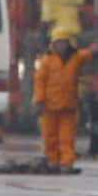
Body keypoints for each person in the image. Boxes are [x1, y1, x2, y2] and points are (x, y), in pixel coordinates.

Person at [31, 35, 85, 171]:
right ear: (53, 44)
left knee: (67, 137)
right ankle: (52, 161)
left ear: (68, 44)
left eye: (64, 42)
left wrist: (95, 49)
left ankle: (66, 162)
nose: (61, 45)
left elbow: (87, 55)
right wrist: (39, 100)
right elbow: (40, 81)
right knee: (50, 136)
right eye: (58, 43)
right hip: (49, 106)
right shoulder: (47, 61)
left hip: (68, 106)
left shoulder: (75, 57)